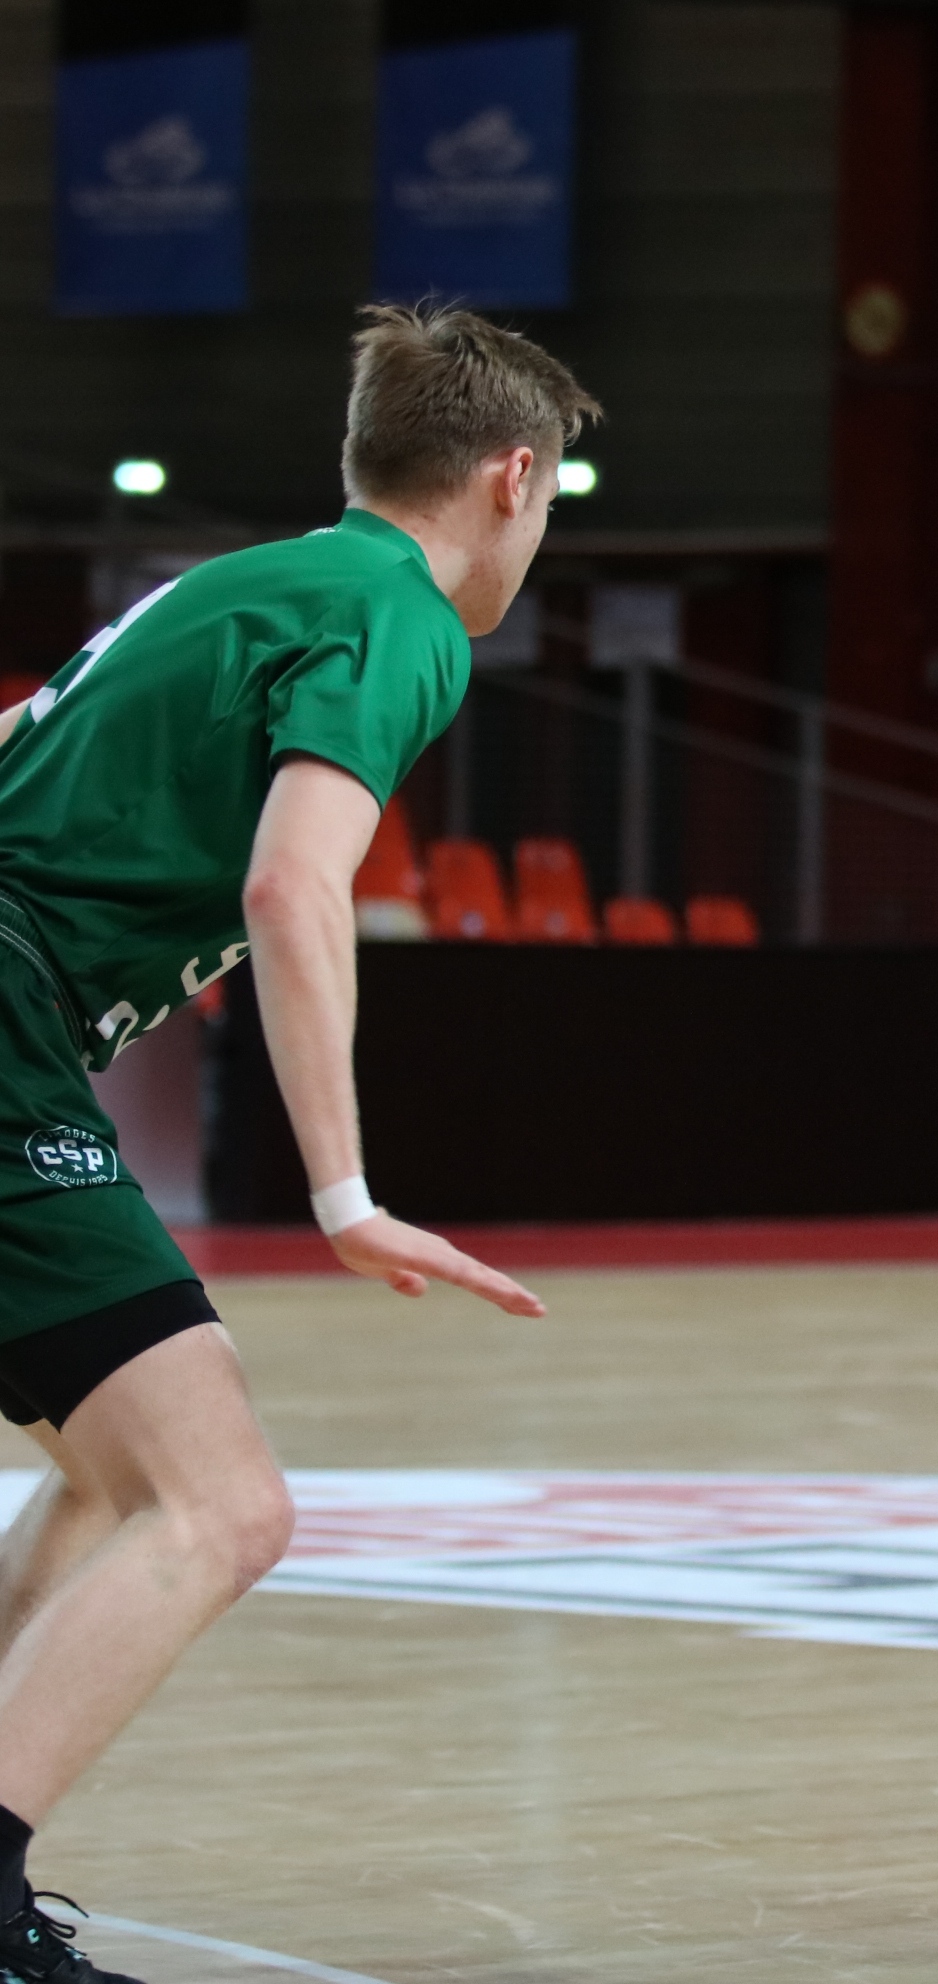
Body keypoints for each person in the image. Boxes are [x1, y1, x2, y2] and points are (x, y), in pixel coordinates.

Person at [0, 305, 578, 1981]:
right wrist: (344, 1190)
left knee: (117, 1477)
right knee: (226, 1500)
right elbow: (291, 883)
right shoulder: (400, 611)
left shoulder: (234, 582)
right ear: (510, 479)